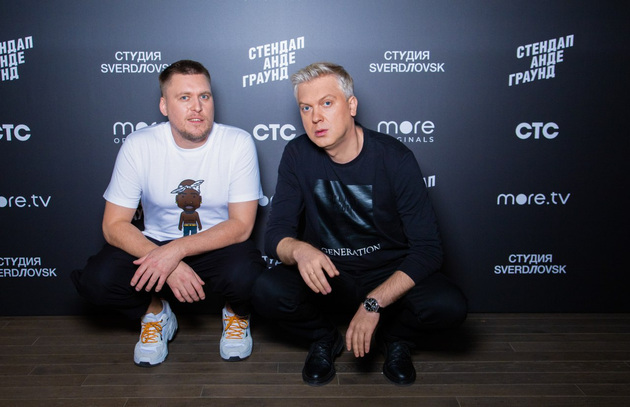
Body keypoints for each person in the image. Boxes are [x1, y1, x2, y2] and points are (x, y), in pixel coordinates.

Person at [252, 62, 467, 386]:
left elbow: (428, 250)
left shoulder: (394, 158)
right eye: (306, 108)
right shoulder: (297, 154)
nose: (315, 117)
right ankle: (324, 338)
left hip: (385, 273)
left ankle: (396, 339)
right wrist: (299, 250)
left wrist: (373, 303)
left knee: (448, 305)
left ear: (351, 105)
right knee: (266, 290)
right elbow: (275, 234)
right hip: (328, 276)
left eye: (327, 103)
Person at [72, 59, 265, 366]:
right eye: (184, 97)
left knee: (249, 276)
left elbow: (241, 225)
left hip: (215, 245)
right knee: (97, 280)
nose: (197, 107)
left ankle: (236, 313)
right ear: (164, 105)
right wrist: (163, 258)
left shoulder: (237, 142)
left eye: (204, 96)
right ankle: (155, 314)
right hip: (154, 244)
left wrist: (176, 252)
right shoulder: (139, 144)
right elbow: (113, 225)